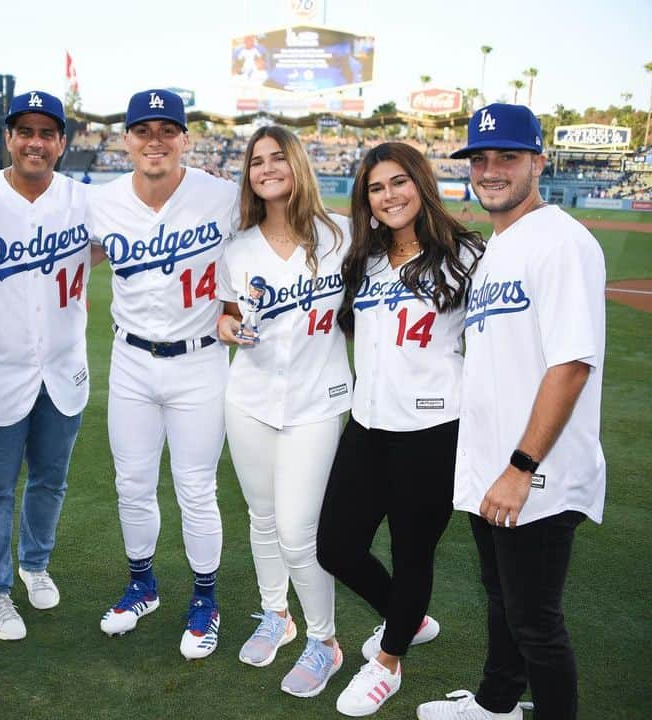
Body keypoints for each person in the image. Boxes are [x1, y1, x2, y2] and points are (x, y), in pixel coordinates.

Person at [416, 105, 606, 720]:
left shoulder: (562, 242)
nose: (491, 170)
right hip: (495, 464)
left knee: (535, 622)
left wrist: (521, 467)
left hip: (535, 473)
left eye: (508, 157)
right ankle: (497, 705)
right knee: (501, 599)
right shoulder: (500, 246)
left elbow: (572, 364)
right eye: (479, 158)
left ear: (539, 162)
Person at [316, 142, 484, 716]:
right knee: (336, 546)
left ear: (421, 182)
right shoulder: (366, 257)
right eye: (375, 188)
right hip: (367, 424)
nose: (388, 196)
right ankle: (408, 617)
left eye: (398, 182)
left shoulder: (467, 255)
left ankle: (388, 663)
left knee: (414, 553)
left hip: (432, 430)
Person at [88, 88, 238, 660]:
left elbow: (266, 243)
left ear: (184, 138)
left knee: (197, 489)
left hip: (200, 359)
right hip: (129, 360)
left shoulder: (222, 196)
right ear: (125, 139)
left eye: (166, 130)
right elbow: (65, 254)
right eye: (143, 130)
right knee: (133, 484)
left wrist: (234, 307)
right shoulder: (99, 203)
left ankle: (206, 598)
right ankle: (142, 584)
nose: (155, 140)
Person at [215, 125, 349, 695]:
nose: (266, 168)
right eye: (256, 161)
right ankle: (278, 614)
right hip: (248, 396)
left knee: (299, 530)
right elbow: (224, 314)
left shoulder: (342, 234)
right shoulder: (239, 246)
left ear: (297, 165)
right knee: (262, 518)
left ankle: (325, 642)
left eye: (277, 158)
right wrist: (227, 327)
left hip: (317, 402)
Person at [0, 90, 91, 641]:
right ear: (8, 138)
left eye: (47, 132)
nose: (35, 142)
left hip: (64, 367)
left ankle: (34, 565)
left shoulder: (88, 201)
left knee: (50, 480)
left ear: (61, 142)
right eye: (25, 131)